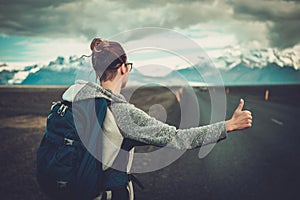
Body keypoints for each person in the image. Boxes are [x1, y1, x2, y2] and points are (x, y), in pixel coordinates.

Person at [60, 38, 252, 200]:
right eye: (129, 65)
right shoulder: (121, 113)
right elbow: (178, 138)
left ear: (97, 70)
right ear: (123, 69)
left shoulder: (73, 101)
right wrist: (229, 125)